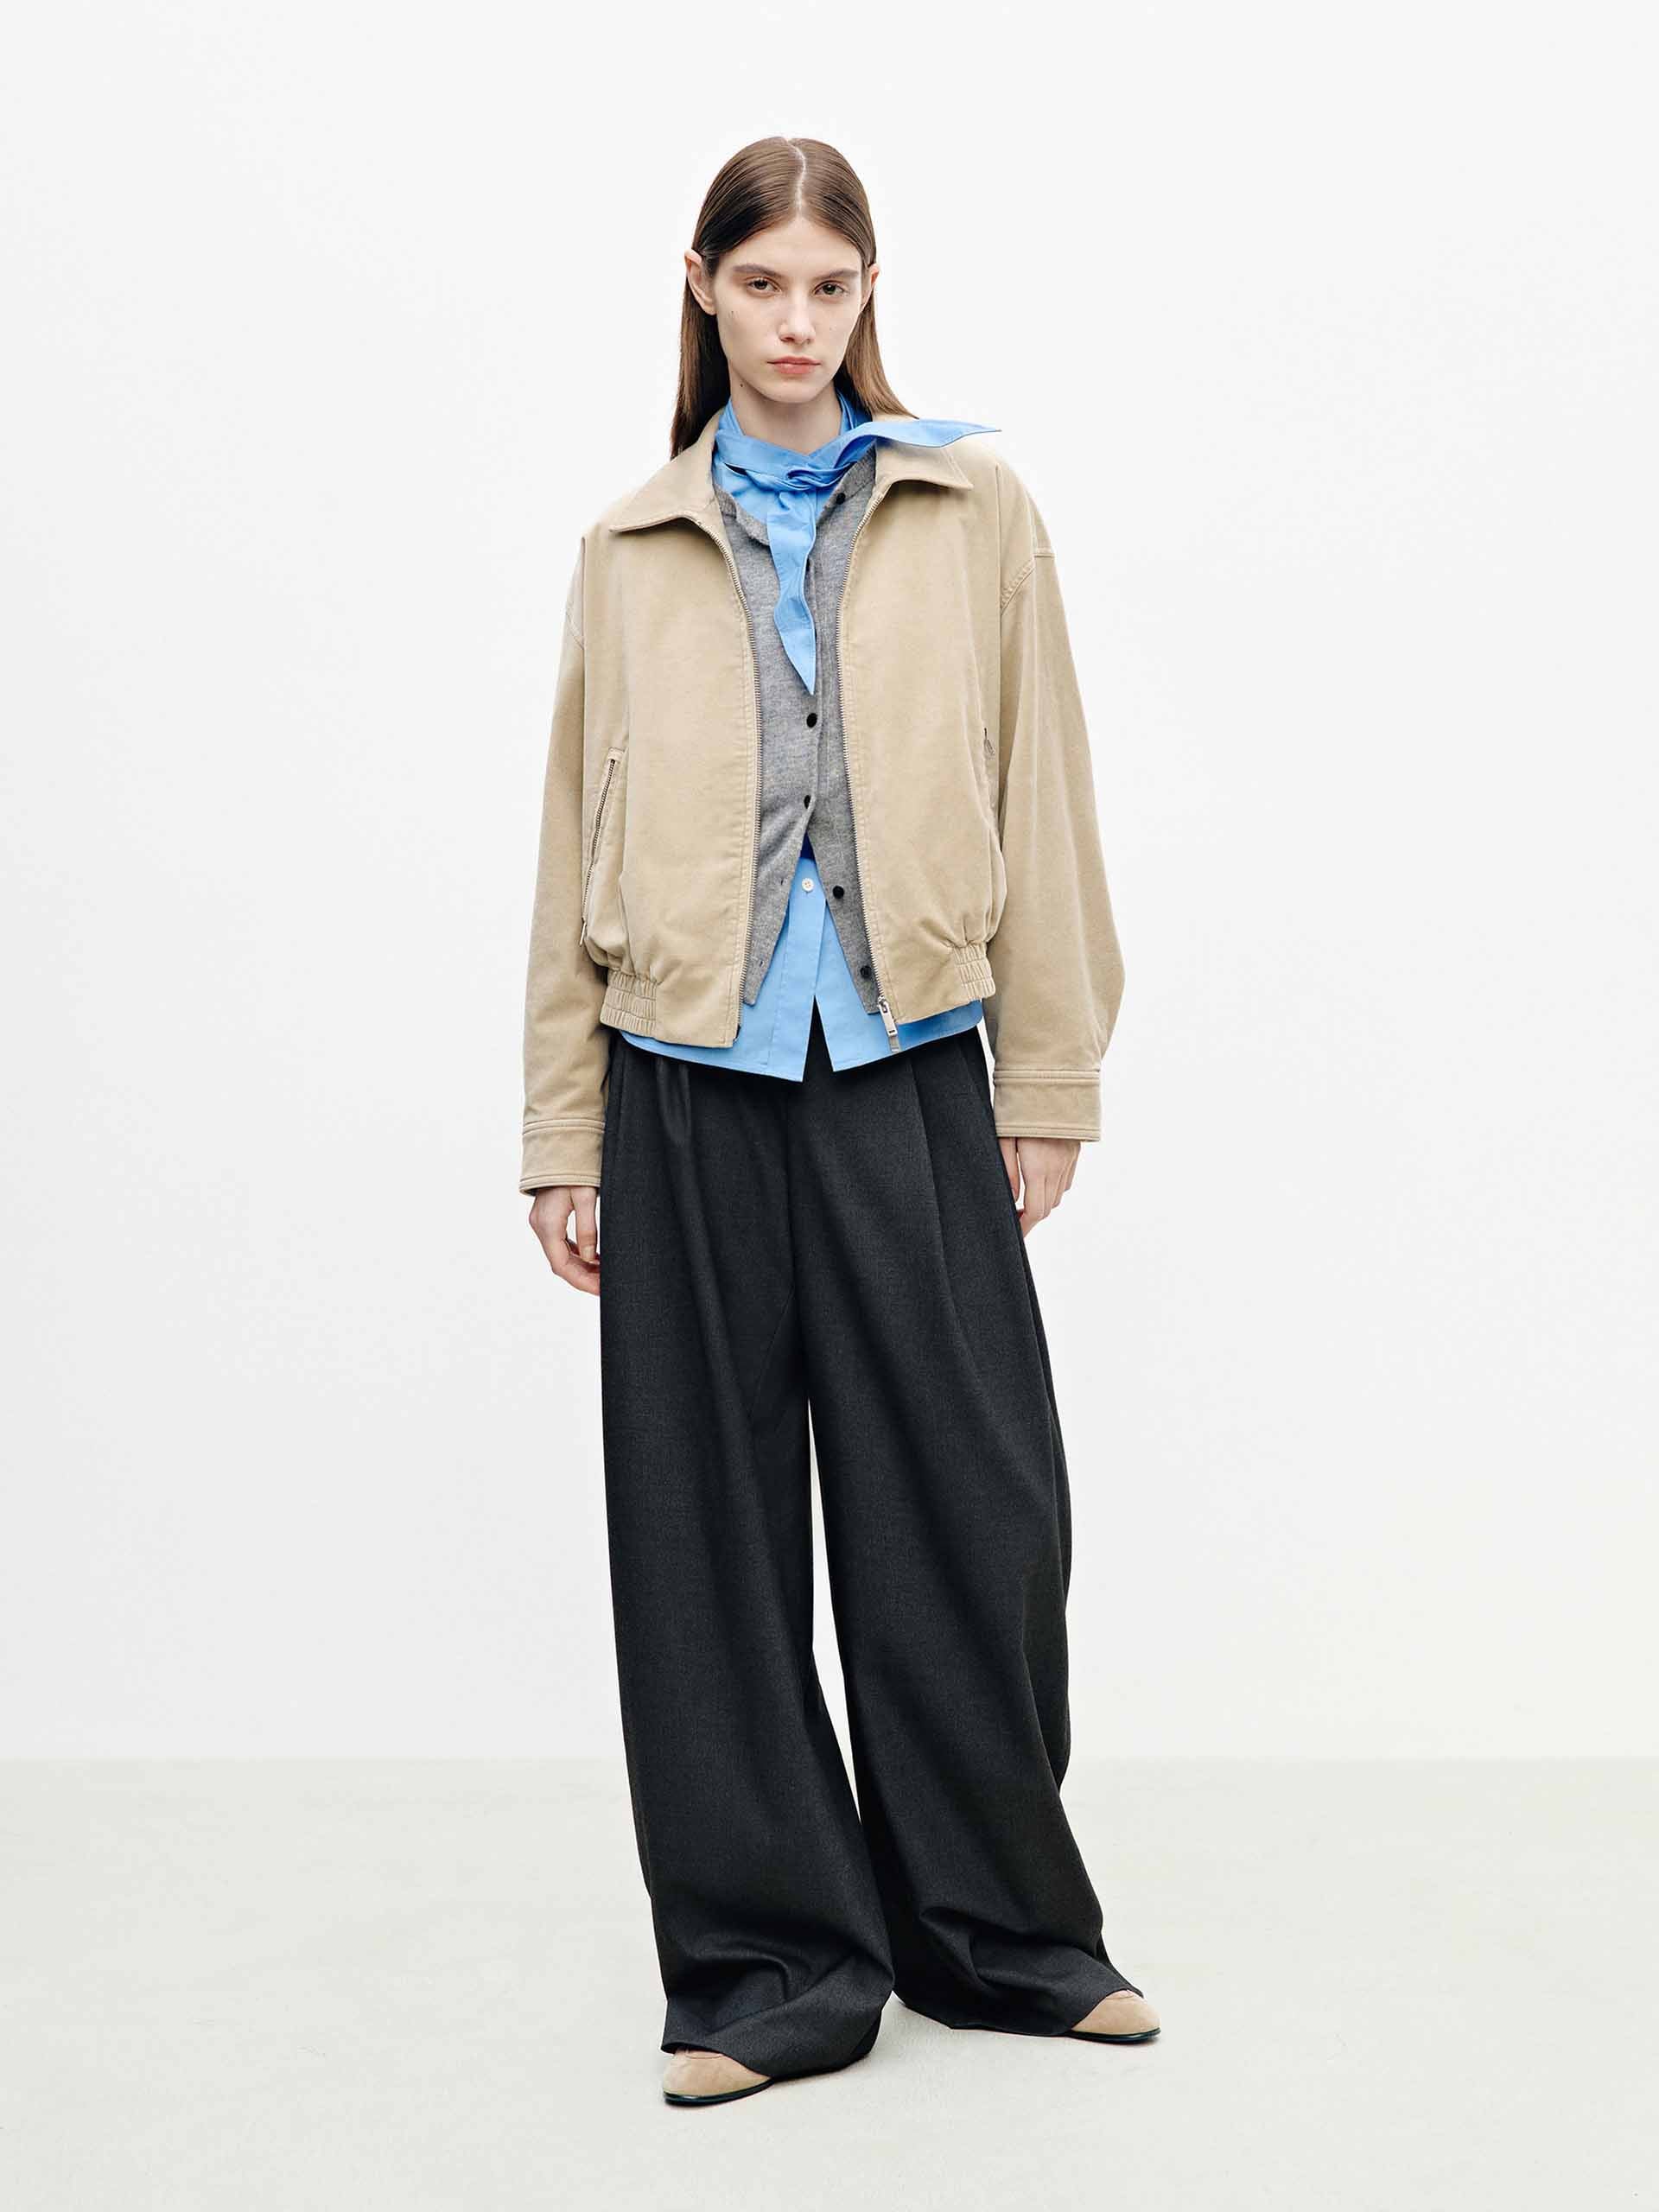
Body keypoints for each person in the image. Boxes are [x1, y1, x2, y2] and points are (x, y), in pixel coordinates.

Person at [521, 135, 1158, 2110]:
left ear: (867, 295)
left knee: (971, 1503)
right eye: (763, 284)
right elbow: (567, 844)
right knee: (704, 1535)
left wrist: (1047, 1074)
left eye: (830, 286)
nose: (797, 322)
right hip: (682, 1078)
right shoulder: (632, 546)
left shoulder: (975, 515)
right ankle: (771, 1962)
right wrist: (562, 1126)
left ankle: (1000, 1932)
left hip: (909, 1062)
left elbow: (1042, 787)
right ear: (702, 288)